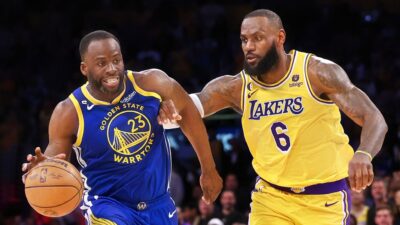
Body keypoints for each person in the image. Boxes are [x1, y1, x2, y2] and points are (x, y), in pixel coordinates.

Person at [158, 9, 388, 224]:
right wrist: (167, 114)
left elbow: (374, 118)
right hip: (270, 198)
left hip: (324, 197)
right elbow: (190, 107)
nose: (249, 46)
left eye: (257, 38)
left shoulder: (316, 73)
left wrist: (364, 154)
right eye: (244, 39)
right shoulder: (236, 87)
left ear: (280, 38)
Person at [21, 30, 222, 225]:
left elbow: (188, 110)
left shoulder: (151, 84)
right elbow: (55, 160)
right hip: (107, 205)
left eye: (116, 60)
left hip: (158, 203)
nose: (112, 68)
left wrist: (209, 168)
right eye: (101, 63)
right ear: (84, 68)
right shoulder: (69, 111)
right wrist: (42, 169)